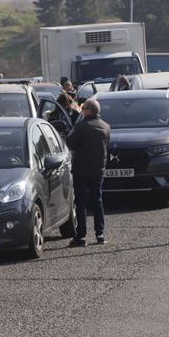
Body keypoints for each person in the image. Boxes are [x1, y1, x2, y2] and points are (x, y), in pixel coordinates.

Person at [65, 99, 111, 246]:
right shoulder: (106, 127)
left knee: (81, 203)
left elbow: (70, 143)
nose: (82, 110)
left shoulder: (81, 126)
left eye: (83, 108)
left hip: (81, 170)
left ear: (89, 110)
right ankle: (100, 234)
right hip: (98, 170)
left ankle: (81, 236)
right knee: (97, 201)